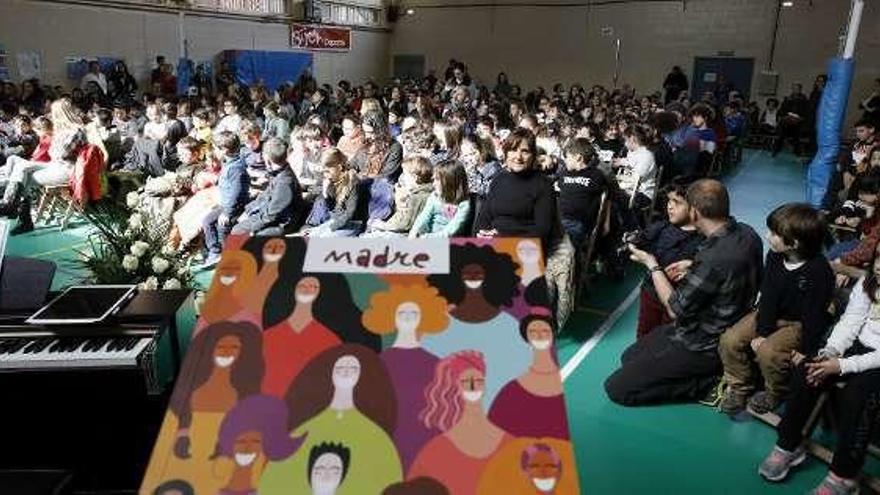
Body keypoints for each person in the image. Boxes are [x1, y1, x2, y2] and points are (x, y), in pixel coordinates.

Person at [604, 179, 763, 406]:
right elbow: (729, 272)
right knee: (629, 357)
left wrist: (652, 265)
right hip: (720, 322)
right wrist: (693, 266)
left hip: (703, 342)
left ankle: (707, 383)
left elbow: (675, 308)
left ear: (695, 212)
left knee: (617, 389)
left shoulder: (713, 258)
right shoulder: (747, 234)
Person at [758, 244, 880, 495]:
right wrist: (830, 352)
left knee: (859, 397)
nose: (878, 265)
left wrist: (843, 366)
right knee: (808, 370)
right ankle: (788, 445)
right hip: (859, 347)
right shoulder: (871, 281)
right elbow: (851, 320)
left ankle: (844, 475)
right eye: (879, 256)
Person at [718, 203, 834, 415]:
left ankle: (775, 393)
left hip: (798, 323)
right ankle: (739, 386)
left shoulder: (819, 272)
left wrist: (805, 351)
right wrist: (763, 331)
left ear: (794, 243)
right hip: (771, 313)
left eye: (774, 234)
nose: (768, 236)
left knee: (769, 352)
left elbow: (814, 316)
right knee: (730, 340)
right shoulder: (774, 256)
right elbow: (769, 296)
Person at [632, 180, 703, 339]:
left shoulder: (703, 239)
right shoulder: (661, 227)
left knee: (669, 340)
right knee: (644, 336)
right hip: (651, 293)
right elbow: (637, 244)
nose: (670, 206)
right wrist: (632, 243)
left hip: (679, 300)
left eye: (677, 202)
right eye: (669, 201)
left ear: (694, 207)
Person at [474, 128, 562, 254]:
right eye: (513, 150)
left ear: (533, 156)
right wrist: (482, 236)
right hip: (492, 245)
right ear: (506, 153)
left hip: (525, 250)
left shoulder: (543, 184)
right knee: (440, 255)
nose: (518, 157)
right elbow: (483, 218)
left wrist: (502, 239)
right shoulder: (498, 179)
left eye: (524, 151)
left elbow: (542, 233)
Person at [231, 138, 303, 236]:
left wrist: (254, 227)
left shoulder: (284, 182)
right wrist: (248, 210)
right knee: (236, 225)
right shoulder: (278, 173)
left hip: (283, 222)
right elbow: (266, 195)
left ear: (268, 160)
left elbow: (273, 215)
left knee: (238, 232)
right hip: (270, 214)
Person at [200, 131, 249, 267]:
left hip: (234, 206)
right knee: (207, 221)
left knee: (222, 228)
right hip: (225, 203)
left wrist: (227, 213)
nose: (215, 151)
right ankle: (214, 252)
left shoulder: (236, 168)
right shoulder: (229, 163)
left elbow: (236, 192)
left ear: (225, 150)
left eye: (216, 148)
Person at [555, 137, 607, 247]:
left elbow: (608, 195)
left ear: (578, 158)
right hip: (558, 219)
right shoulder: (564, 173)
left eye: (567, 157)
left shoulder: (595, 175)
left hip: (578, 223)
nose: (565, 160)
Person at [365, 156, 433, 237]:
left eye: (405, 174)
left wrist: (382, 225)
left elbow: (405, 224)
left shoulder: (417, 197)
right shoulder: (423, 193)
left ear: (414, 177)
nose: (403, 177)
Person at [301, 147, 362, 237]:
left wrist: (331, 227)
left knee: (321, 240)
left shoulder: (352, 182)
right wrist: (325, 193)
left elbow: (350, 213)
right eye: (324, 172)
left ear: (339, 167)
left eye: (328, 171)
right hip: (335, 220)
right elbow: (331, 208)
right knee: (310, 235)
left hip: (352, 223)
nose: (326, 175)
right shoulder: (331, 180)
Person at [408, 160, 471, 238]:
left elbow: (450, 231)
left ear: (450, 182)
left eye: (437, 180)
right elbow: (424, 217)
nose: (434, 184)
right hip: (428, 236)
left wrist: (424, 238)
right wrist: (415, 231)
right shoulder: (434, 197)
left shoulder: (463, 204)